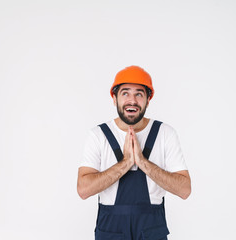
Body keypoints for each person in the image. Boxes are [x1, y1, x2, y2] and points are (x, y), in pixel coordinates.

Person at [77, 66, 191, 240]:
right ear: (114, 99)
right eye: (125, 93)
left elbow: (185, 190)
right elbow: (83, 190)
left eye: (139, 94)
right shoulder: (98, 135)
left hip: (151, 228)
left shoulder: (165, 133)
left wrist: (142, 162)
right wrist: (125, 163)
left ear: (148, 100)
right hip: (111, 230)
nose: (132, 100)